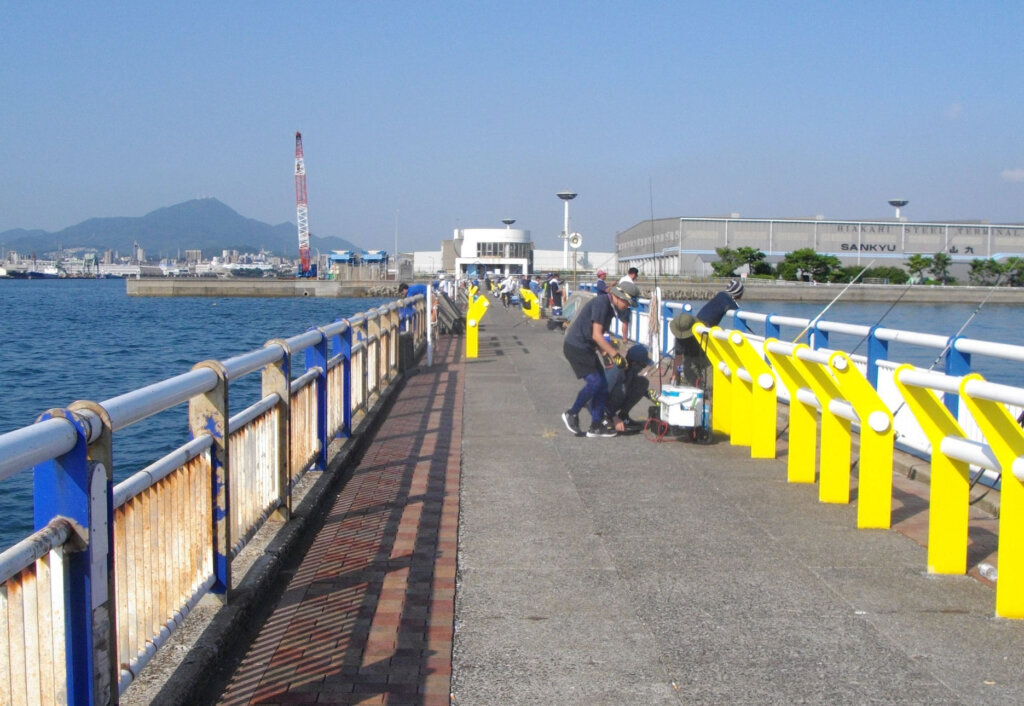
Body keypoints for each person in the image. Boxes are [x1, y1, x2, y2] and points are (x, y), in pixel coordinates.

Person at [561, 281, 641, 438]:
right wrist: (615, 355)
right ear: (619, 297)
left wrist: (605, 355)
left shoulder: (611, 308)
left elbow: (600, 336)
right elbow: (596, 335)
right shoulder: (601, 303)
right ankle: (572, 413)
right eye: (627, 303)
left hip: (587, 348)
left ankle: (596, 426)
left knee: (603, 386)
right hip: (576, 346)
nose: (627, 306)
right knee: (595, 382)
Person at [605, 343, 654, 432]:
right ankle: (604, 418)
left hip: (612, 402)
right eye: (643, 365)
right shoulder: (616, 371)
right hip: (601, 405)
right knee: (621, 390)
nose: (643, 368)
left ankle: (623, 416)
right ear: (635, 363)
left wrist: (650, 395)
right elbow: (600, 396)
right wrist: (614, 417)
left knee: (642, 382)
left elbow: (637, 386)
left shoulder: (630, 370)